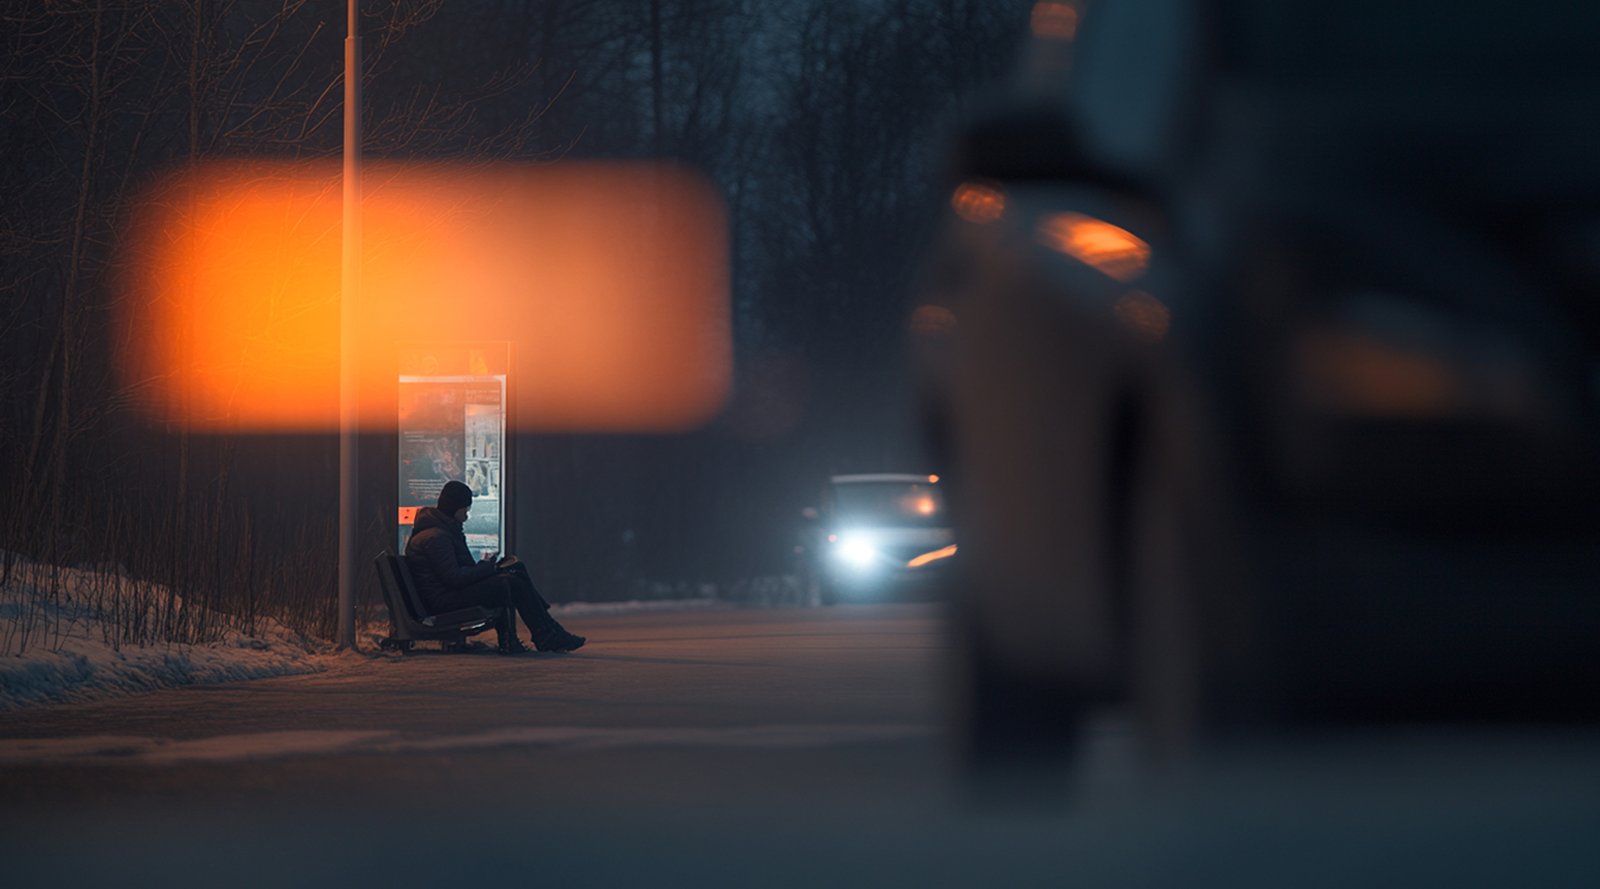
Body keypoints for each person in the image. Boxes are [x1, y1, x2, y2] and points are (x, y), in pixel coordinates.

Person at [405, 480, 586, 654]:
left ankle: (548, 632)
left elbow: (459, 572)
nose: (466, 516)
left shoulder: (444, 531)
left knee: (515, 568)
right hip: (443, 601)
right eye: (465, 510)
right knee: (507, 583)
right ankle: (531, 636)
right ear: (454, 508)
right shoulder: (436, 537)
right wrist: (487, 568)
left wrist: (490, 567)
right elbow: (454, 578)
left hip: (449, 593)